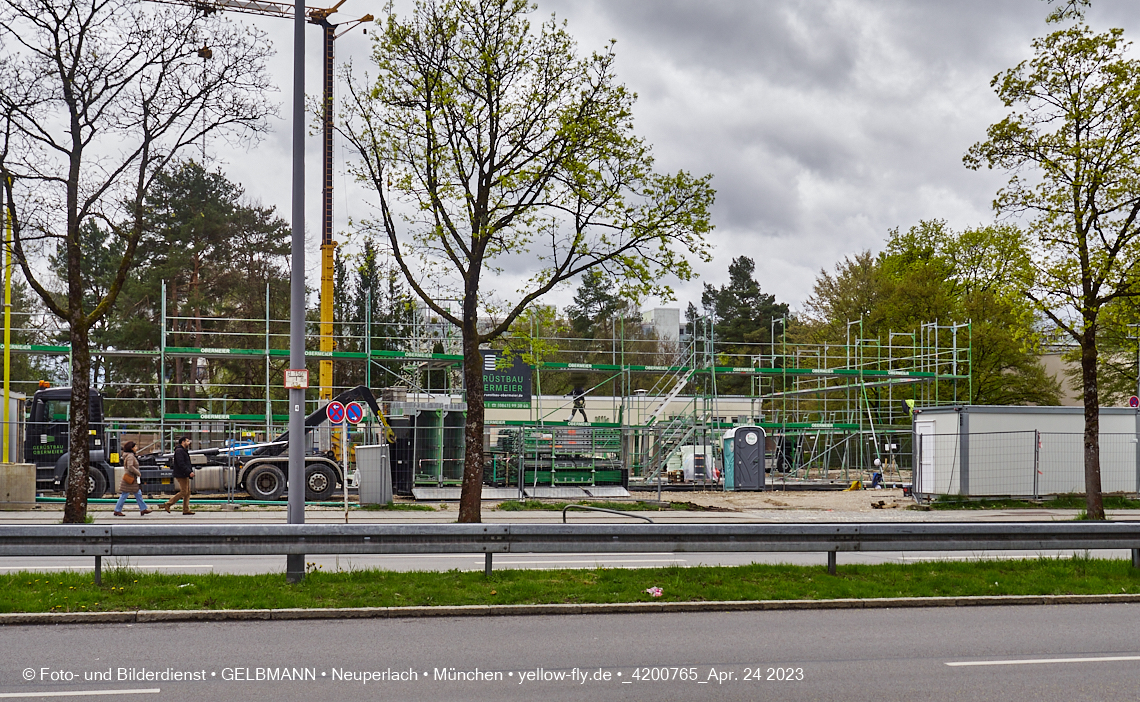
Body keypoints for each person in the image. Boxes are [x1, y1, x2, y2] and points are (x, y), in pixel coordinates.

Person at [113, 441, 151, 517]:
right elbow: (130, 466)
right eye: (135, 447)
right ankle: (117, 510)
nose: (136, 448)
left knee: (137, 493)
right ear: (131, 448)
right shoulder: (130, 456)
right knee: (125, 494)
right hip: (130, 479)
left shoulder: (128, 455)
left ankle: (143, 509)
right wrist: (138, 472)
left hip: (130, 478)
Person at [162, 436, 195, 515]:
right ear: (183, 442)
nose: (189, 443)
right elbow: (181, 463)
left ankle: (186, 509)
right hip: (181, 474)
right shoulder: (179, 451)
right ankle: (168, 503)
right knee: (184, 491)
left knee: (187, 491)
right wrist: (189, 472)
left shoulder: (183, 450)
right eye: (187, 441)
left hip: (184, 473)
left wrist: (189, 471)